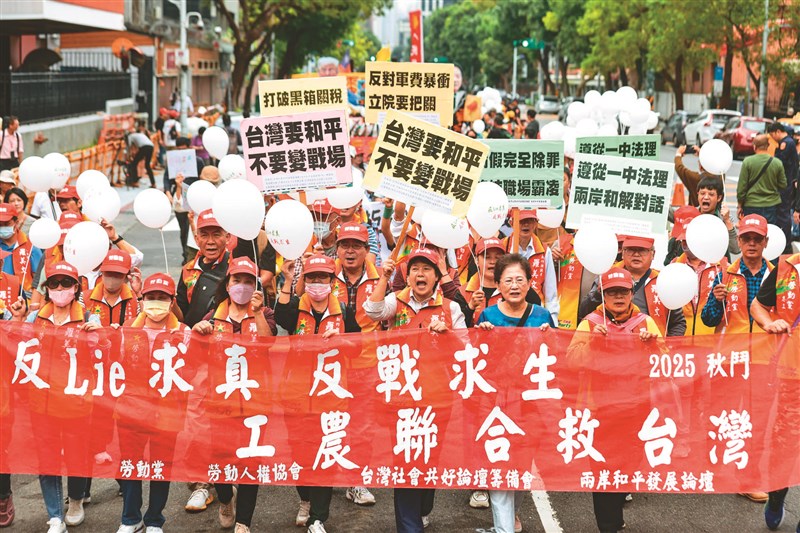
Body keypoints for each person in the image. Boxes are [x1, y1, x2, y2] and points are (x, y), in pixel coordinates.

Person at [364, 247, 466, 533]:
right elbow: (371, 311)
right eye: (415, 270)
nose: (420, 275)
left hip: (438, 400)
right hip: (401, 399)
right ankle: (409, 527)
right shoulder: (395, 302)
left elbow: (466, 349)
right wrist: (384, 278)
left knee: (429, 458)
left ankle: (422, 509)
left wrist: (448, 335)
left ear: (436, 277)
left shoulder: (451, 308)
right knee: (406, 460)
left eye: (426, 269)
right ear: (407, 276)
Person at [571, 267, 662, 533]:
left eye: (623, 291)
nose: (619, 297)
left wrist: (652, 346)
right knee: (602, 467)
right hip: (599, 410)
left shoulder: (646, 323)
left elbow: (666, 361)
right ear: (602, 295)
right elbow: (571, 361)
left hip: (637, 408)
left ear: (632, 293)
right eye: (612, 292)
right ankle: (608, 525)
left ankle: (615, 509)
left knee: (629, 465)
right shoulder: (590, 323)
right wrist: (592, 343)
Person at [192, 257, 276, 533]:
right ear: (227, 285)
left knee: (250, 459)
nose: (242, 286)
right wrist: (198, 330)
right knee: (219, 457)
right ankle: (226, 498)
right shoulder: (213, 316)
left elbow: (268, 343)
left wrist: (258, 313)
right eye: (236, 280)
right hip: (220, 403)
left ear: (256, 286)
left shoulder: (265, 313)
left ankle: (244, 522)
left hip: (255, 401)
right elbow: (194, 351)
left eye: (248, 281)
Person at [13, 261, 95, 532]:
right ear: (46, 288)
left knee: (76, 456)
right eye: (54, 283)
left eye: (66, 283)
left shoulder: (88, 318)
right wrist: (17, 320)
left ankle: (76, 500)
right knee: (46, 458)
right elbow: (15, 344)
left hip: (75, 403)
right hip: (42, 403)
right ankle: (55, 516)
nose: (60, 288)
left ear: (76, 288)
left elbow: (105, 352)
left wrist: (98, 336)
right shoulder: (36, 317)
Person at [475, 253, 553, 533]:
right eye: (508, 280)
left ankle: (512, 515)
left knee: (521, 465)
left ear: (530, 282)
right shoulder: (488, 316)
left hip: (531, 404)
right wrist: (481, 335)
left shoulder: (542, 316)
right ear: (498, 285)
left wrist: (550, 337)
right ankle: (504, 528)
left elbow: (555, 358)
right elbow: (476, 360)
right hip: (497, 402)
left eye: (520, 279)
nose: (514, 285)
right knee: (499, 462)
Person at [115, 273, 191, 533]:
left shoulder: (183, 333)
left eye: (162, 298)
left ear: (172, 301)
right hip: (131, 409)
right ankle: (130, 518)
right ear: (142, 299)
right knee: (130, 465)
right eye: (151, 297)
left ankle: (155, 519)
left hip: (167, 412)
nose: (156, 303)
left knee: (161, 466)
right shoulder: (127, 330)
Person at [275, 254, 345, 533]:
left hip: (330, 396)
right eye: (312, 278)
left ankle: (318, 517)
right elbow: (280, 316)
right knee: (299, 451)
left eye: (322, 278)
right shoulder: (295, 307)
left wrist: (342, 342)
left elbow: (359, 345)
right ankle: (305, 499)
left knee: (325, 450)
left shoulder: (344, 312)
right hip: (296, 392)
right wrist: (288, 280)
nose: (317, 283)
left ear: (332, 281)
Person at [751, 250, 800, 531]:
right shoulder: (785, 268)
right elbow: (757, 305)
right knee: (785, 447)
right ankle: (777, 496)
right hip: (791, 374)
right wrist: (769, 323)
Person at [579, 236, 686, 337]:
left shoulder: (663, 281)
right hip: (609, 346)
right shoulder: (606, 276)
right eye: (631, 250)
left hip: (652, 346)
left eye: (642, 250)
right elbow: (584, 311)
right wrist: (601, 292)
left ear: (653, 254)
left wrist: (667, 347)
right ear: (622, 253)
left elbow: (678, 323)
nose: (636, 254)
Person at [701, 214, 773, 337]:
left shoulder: (776, 276)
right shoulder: (724, 276)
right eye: (746, 238)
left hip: (766, 346)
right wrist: (717, 301)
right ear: (739, 241)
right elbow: (708, 320)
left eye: (757, 239)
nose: (752, 243)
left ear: (766, 242)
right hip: (733, 347)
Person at [506, 210, 559, 324]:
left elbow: (550, 293)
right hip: (508, 314)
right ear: (511, 223)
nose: (526, 224)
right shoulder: (503, 247)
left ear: (535, 224)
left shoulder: (544, 251)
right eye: (521, 221)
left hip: (536, 315)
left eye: (530, 220)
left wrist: (553, 321)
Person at [737, 134, 787, 225]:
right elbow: (783, 185)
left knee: (752, 230)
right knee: (768, 230)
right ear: (768, 146)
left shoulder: (748, 162)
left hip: (751, 204)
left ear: (754, 146)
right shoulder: (777, 163)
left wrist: (740, 205)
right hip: (771, 204)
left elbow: (742, 187)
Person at [84, 250, 140, 327]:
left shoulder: (136, 299)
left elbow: (147, 324)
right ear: (101, 271)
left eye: (118, 274)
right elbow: (77, 327)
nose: (112, 277)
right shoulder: (84, 297)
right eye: (108, 272)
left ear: (126, 275)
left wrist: (139, 293)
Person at [0, 202, 43, 298]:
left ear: (16, 223)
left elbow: (39, 279)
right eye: (0, 225)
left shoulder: (31, 245)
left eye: (7, 224)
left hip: (24, 298)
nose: (3, 228)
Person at [768, 122, 798, 253]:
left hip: (785, 183)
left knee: (783, 213)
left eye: (772, 135)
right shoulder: (789, 141)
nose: (772, 138)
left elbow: (779, 162)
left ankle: (786, 242)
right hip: (787, 182)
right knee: (783, 212)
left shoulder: (786, 143)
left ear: (777, 132)